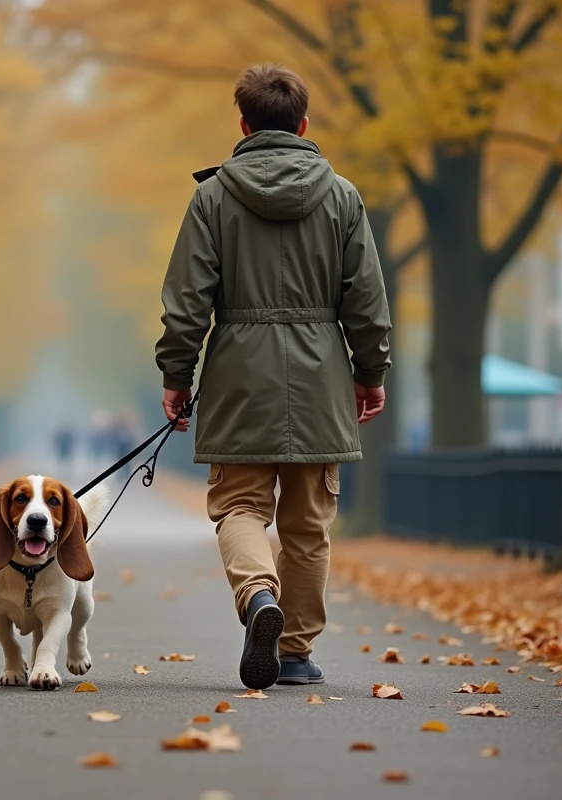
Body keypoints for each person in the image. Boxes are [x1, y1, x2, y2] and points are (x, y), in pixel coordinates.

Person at [155, 64, 391, 691]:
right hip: (320, 375)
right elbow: (365, 299)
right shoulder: (342, 196)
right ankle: (293, 651)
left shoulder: (212, 198)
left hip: (239, 373)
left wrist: (177, 376)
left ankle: (259, 595)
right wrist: (370, 373)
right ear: (303, 125)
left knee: (238, 504)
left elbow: (186, 301)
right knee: (308, 523)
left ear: (244, 125)